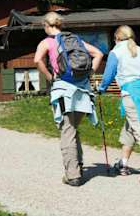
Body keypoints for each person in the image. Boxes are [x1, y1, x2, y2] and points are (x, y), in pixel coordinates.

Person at [33, 11, 105, 186]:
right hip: (83, 92)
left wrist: (50, 77)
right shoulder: (77, 41)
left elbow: (37, 60)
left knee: (67, 131)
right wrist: (89, 74)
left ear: (46, 25)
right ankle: (77, 166)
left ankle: (72, 175)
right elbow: (99, 54)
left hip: (64, 90)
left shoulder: (47, 42)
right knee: (72, 129)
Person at [98, 24, 140, 187]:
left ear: (116, 38)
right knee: (130, 128)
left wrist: (101, 89)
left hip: (131, 95)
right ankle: (123, 163)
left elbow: (109, 74)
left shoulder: (116, 52)